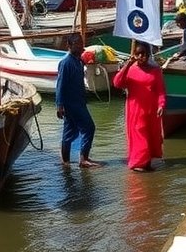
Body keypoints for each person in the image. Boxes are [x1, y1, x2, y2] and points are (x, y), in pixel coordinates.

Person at [112, 40, 168, 172]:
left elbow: (160, 90)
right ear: (135, 55)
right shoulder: (130, 70)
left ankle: (146, 162)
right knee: (140, 137)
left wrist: (161, 105)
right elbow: (117, 83)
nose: (142, 57)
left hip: (152, 111)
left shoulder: (155, 71)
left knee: (151, 137)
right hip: (135, 110)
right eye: (139, 54)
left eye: (145, 54)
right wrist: (127, 65)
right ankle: (137, 163)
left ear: (149, 54)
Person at [55, 32, 102, 168]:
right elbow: (60, 85)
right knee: (89, 127)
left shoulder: (78, 61)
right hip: (72, 104)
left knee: (69, 131)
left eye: (82, 43)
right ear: (69, 45)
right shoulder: (66, 63)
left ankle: (65, 162)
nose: (81, 46)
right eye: (78, 44)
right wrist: (59, 105)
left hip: (79, 101)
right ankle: (83, 159)